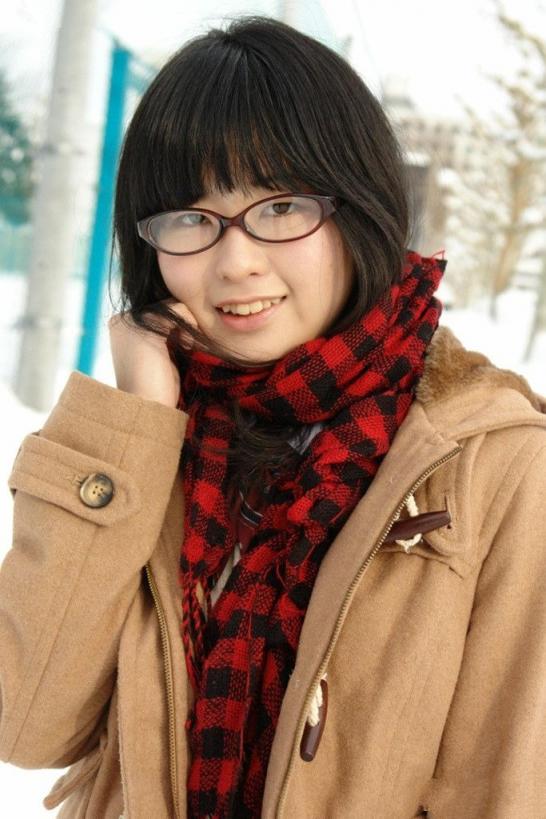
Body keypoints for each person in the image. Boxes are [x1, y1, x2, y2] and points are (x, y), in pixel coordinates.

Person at [1, 14, 546, 819]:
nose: (236, 260)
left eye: (282, 205)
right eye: (191, 218)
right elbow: (24, 718)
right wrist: (131, 428)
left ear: (358, 207)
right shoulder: (152, 440)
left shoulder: (493, 462)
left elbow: (506, 789)